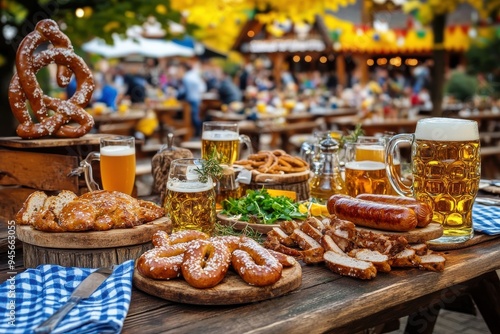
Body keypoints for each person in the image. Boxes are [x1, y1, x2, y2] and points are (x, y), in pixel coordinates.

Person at [178, 62, 206, 137]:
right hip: (197, 98)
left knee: (192, 117)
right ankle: (198, 132)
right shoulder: (194, 75)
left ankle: (197, 133)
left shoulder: (186, 77)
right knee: (196, 116)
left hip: (191, 99)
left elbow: (183, 91)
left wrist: (177, 96)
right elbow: (202, 88)